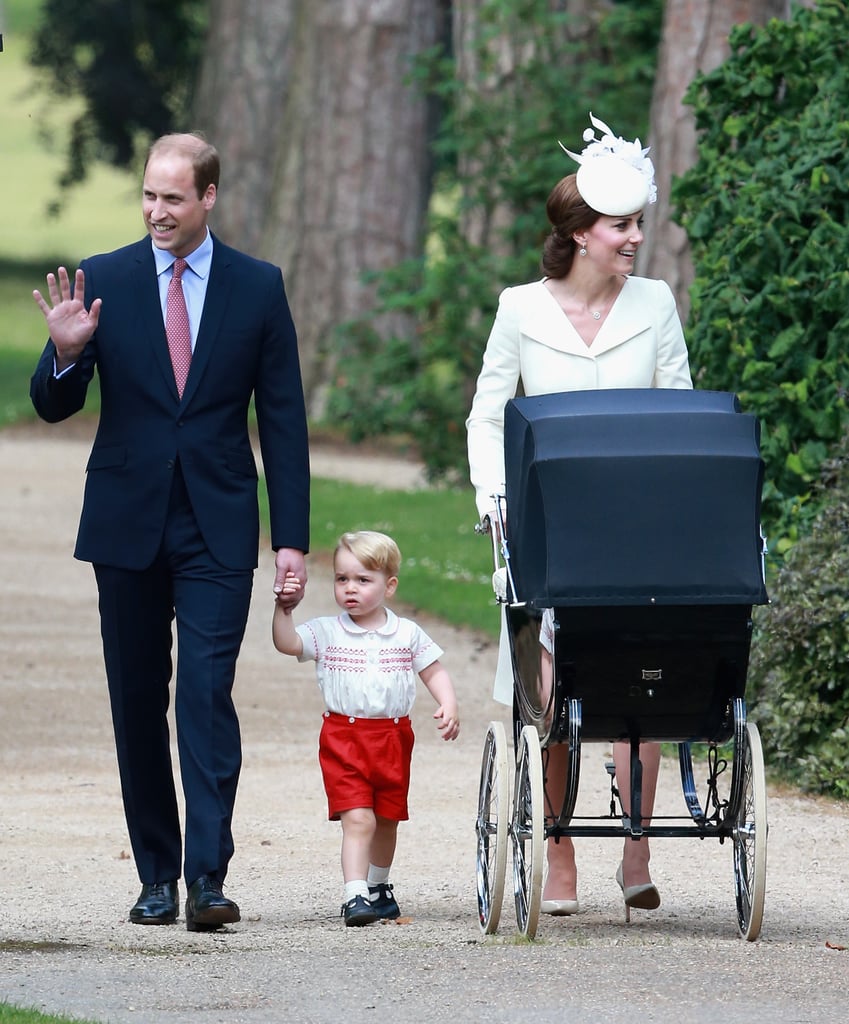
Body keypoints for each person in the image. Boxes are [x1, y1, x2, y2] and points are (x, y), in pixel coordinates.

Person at [30, 132, 310, 931]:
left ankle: (207, 878)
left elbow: (283, 420)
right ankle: (155, 874)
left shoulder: (258, 287)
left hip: (218, 523)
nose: (157, 211)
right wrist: (63, 352)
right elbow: (53, 405)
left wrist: (291, 537)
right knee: (136, 699)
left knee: (205, 692)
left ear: (209, 198)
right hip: (126, 524)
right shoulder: (103, 279)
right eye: (149, 196)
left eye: (173, 198)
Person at [466, 113, 692, 920]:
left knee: (644, 683)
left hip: (636, 525)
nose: (634, 237)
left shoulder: (656, 303)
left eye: (637, 223)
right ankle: (556, 850)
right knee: (551, 691)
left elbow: (679, 411)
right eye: (620, 225)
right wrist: (493, 496)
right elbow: (489, 411)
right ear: (580, 232)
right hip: (548, 525)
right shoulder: (520, 307)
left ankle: (635, 849)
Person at [272, 530, 459, 926]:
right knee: (360, 818)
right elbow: (287, 644)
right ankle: (354, 894)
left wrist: (447, 702)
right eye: (342, 579)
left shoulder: (406, 633)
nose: (350, 589)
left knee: (388, 817)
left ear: (389, 586)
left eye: (363, 580)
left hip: (393, 737)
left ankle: (378, 886)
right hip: (345, 737)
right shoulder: (327, 631)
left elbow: (433, 670)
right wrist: (284, 611)